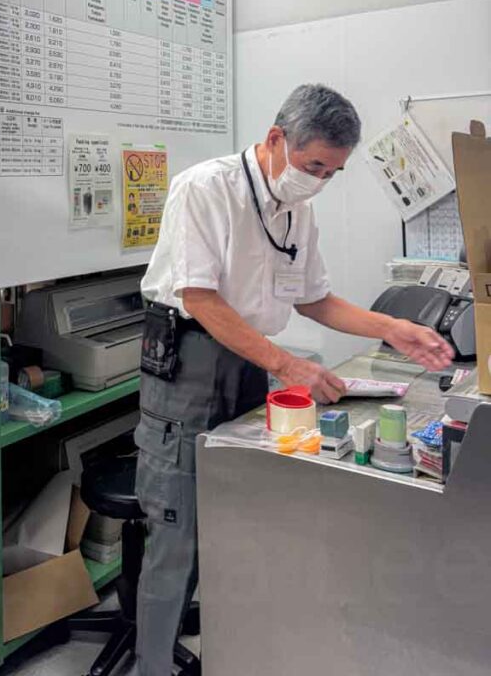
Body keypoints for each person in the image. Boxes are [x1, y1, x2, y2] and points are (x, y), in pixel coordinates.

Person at [133, 84, 454, 676]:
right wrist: (285, 364)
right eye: (314, 167)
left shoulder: (295, 208)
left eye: (332, 174)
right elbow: (200, 298)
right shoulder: (206, 188)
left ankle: (232, 650)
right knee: (175, 535)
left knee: (241, 509)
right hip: (188, 364)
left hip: (250, 363)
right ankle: (150, 666)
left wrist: (393, 327)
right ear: (277, 138)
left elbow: (315, 299)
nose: (319, 182)